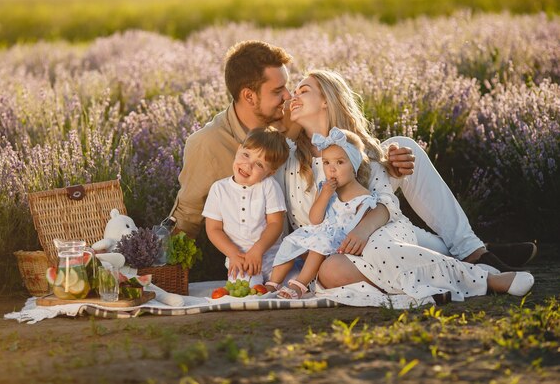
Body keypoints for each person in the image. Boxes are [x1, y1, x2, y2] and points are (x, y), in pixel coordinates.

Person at [169, 40, 535, 278]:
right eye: (279, 91)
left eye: (292, 89)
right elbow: (185, 216)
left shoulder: (288, 121)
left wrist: (380, 158)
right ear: (249, 96)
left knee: (400, 146)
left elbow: (333, 138)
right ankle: (476, 261)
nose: (288, 97)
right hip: (313, 235)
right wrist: (167, 265)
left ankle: (473, 251)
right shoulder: (211, 144)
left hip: (352, 203)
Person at [280, 69, 534, 302]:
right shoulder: (288, 157)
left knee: (402, 147)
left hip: (378, 236)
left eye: (303, 90)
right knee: (334, 269)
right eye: (294, 93)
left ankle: (479, 269)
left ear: (327, 100)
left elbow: (384, 201)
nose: (294, 97)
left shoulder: (358, 149)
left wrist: (363, 230)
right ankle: (471, 260)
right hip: (336, 252)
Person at [266, 128, 377, 298]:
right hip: (321, 233)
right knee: (291, 240)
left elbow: (361, 229)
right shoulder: (324, 188)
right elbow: (315, 219)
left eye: (339, 162)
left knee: (320, 243)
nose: (332, 169)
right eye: (326, 163)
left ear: (354, 165)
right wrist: (324, 195)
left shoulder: (364, 197)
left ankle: (299, 286)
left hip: (341, 243)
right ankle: (272, 284)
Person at [202, 127, 289, 286]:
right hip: (239, 260)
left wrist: (258, 250)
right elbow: (213, 229)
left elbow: (276, 224)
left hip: (271, 257)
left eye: (259, 164)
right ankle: (268, 286)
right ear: (238, 149)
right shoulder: (219, 189)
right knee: (247, 287)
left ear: (270, 172)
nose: (248, 166)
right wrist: (233, 254)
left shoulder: (268, 186)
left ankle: (277, 282)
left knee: (296, 278)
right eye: (246, 155)